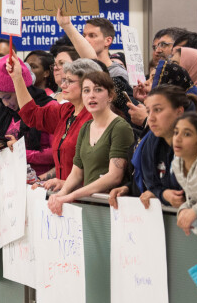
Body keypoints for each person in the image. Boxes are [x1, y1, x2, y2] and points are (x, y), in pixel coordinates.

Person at [47, 71, 135, 216]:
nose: (91, 95)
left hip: (113, 208)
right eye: (86, 91)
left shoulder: (120, 127)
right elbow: (76, 172)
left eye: (98, 90)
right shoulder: (86, 127)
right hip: (90, 205)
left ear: (110, 96)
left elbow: (114, 176)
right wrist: (61, 194)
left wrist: (71, 196)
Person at [110, 86, 197, 210]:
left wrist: (161, 195)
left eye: (157, 110)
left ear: (179, 112)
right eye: (148, 111)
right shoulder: (151, 141)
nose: (151, 118)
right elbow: (153, 183)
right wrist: (129, 188)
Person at [13, 58, 100, 185]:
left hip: (87, 198)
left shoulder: (96, 117)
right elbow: (31, 114)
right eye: (64, 80)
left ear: (88, 84)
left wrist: (65, 185)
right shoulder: (65, 111)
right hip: (65, 198)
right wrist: (17, 78)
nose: (63, 85)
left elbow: (98, 169)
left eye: (69, 81)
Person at [0, 55, 54, 177]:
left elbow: (57, 153)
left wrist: (21, 152)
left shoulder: (48, 107)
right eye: (1, 99)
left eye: (8, 97)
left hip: (40, 184)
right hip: (8, 183)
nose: (6, 103)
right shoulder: (0, 110)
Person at [56, 10, 129, 82]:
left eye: (92, 36)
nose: (86, 39)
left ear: (108, 41)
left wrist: (68, 26)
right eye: (84, 35)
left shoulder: (118, 73)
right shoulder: (79, 70)